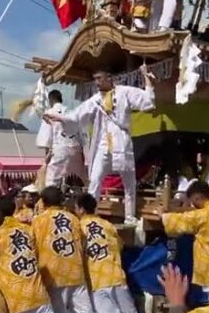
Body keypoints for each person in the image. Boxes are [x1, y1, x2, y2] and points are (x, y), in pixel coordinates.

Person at [44, 65, 156, 224]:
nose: (96, 82)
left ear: (109, 77)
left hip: (121, 141)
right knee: (95, 180)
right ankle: (90, 214)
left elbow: (147, 100)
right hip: (103, 143)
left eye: (99, 78)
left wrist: (147, 78)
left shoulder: (124, 92)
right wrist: (60, 118)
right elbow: (77, 115)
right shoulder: (95, 100)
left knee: (129, 182)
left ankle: (129, 216)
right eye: (95, 79)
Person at [32, 186, 108, 313]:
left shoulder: (39, 221)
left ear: (44, 202)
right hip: (76, 272)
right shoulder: (74, 219)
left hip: (52, 275)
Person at [75, 193, 153, 313]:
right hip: (117, 276)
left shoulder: (78, 228)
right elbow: (119, 245)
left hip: (97, 280)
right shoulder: (107, 225)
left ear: (80, 209)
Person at [36, 88, 86, 188]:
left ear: (50, 100)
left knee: (52, 180)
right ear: (61, 99)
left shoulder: (50, 113)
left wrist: (46, 160)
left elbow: (46, 140)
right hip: (76, 150)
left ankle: (52, 201)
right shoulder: (72, 112)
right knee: (76, 179)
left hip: (60, 149)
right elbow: (82, 136)